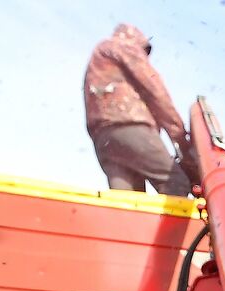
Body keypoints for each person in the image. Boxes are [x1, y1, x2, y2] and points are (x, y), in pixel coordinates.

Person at [83, 24, 199, 195]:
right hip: (129, 125)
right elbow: (155, 91)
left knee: (128, 202)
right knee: (175, 182)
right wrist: (181, 140)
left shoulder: (99, 57)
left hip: (104, 139)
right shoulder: (125, 46)